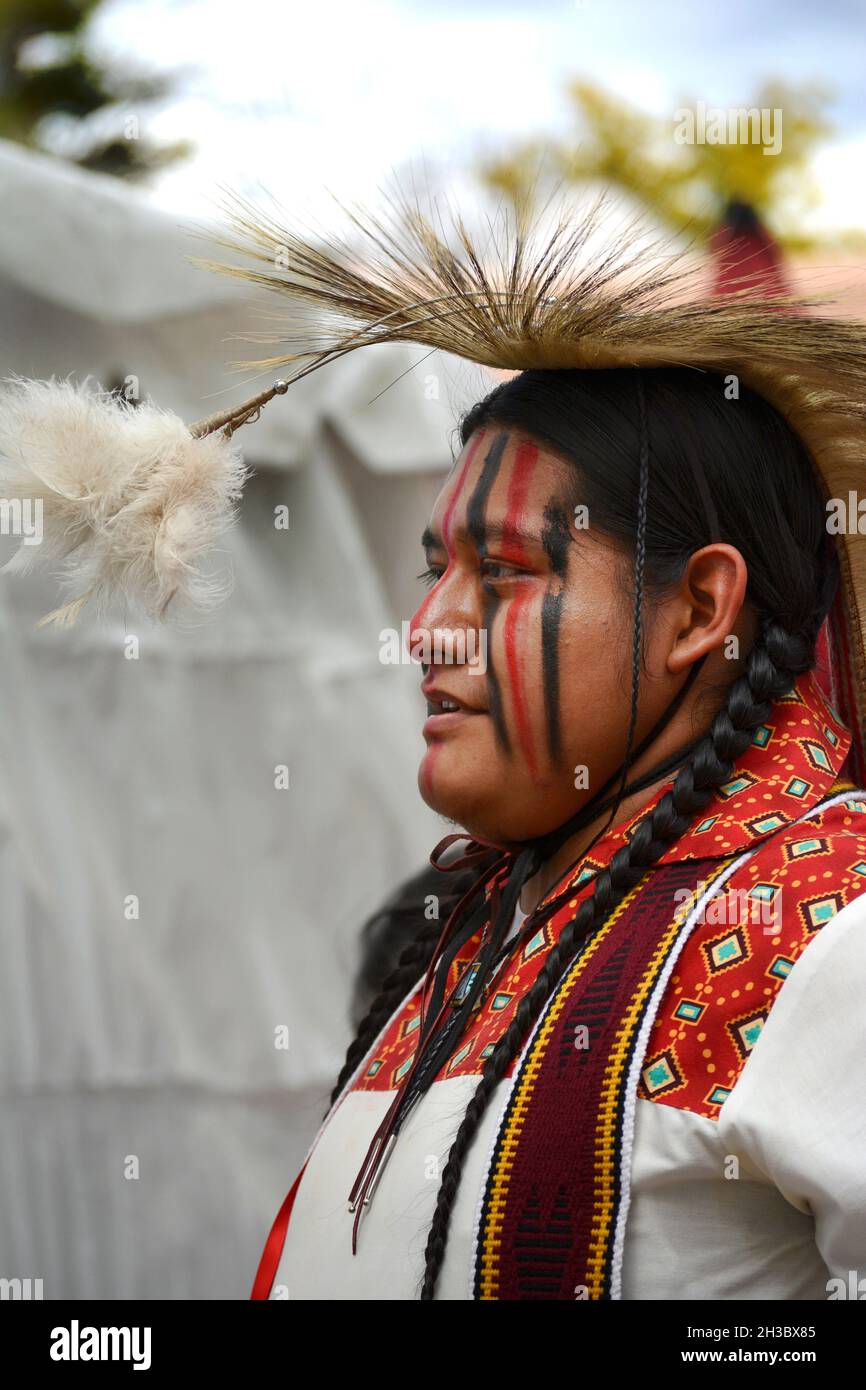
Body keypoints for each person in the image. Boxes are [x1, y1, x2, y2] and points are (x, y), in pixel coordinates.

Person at [218, 198, 866, 1301]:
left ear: (697, 607)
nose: (428, 628)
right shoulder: (484, 927)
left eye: (506, 572)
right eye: (436, 572)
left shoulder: (830, 931)